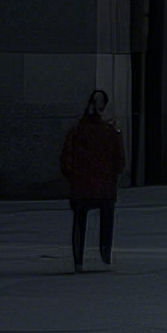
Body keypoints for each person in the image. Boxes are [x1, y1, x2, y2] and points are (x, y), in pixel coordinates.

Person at [58, 89, 124, 272]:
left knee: (80, 221)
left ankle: (78, 259)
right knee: (106, 219)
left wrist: (71, 176)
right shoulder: (110, 132)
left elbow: (66, 159)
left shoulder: (77, 131)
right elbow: (119, 160)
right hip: (105, 186)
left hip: (81, 185)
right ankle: (105, 255)